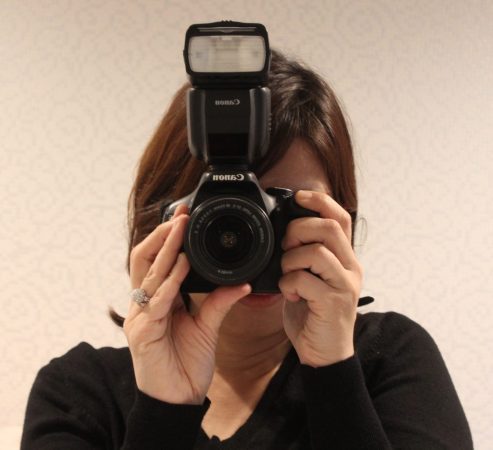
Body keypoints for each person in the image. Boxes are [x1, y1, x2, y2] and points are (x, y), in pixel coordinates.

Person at [21, 49, 473, 450]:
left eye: (282, 208)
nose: (253, 238)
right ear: (162, 218)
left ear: (340, 219)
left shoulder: (387, 359)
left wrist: (332, 370)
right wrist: (163, 408)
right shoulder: (79, 392)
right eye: (223, 213)